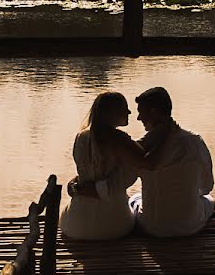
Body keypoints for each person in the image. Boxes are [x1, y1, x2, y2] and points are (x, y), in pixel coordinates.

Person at [59, 92, 171, 240]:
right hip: (113, 226)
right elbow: (148, 163)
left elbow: (89, 173)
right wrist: (167, 137)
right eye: (124, 108)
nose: (129, 112)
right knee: (134, 206)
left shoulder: (80, 137)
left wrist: (75, 184)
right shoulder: (118, 138)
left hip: (74, 225)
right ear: (110, 113)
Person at [129, 87, 215, 237]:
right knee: (209, 199)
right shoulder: (195, 142)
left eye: (141, 112)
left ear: (153, 112)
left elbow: (128, 178)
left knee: (135, 198)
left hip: (151, 227)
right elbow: (207, 186)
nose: (138, 118)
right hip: (189, 227)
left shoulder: (140, 148)